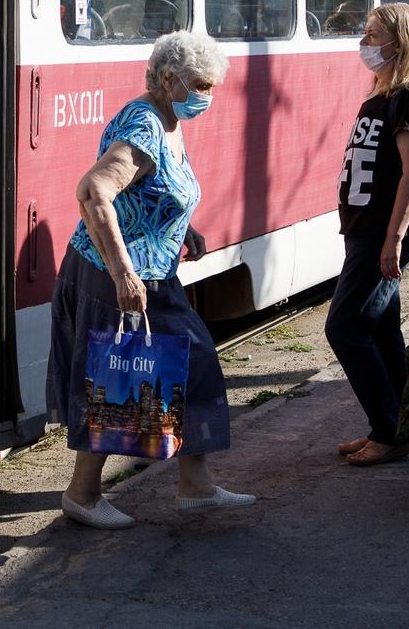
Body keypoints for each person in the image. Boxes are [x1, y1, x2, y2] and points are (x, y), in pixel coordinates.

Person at [48, 31, 254, 529]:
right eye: (201, 85)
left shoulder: (166, 118)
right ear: (168, 79)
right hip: (113, 275)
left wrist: (185, 227)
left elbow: (149, 192)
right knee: (120, 381)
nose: (207, 95)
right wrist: (122, 273)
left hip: (151, 272)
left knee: (178, 368)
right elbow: (94, 190)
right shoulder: (143, 125)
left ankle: (194, 485)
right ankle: (83, 494)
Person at [326, 3, 409, 466]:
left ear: (399, 42)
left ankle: (388, 429)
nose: (365, 43)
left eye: (373, 35)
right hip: (364, 233)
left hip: (380, 236)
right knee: (383, 330)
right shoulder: (383, 94)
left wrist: (394, 238)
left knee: (345, 327)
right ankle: (396, 426)